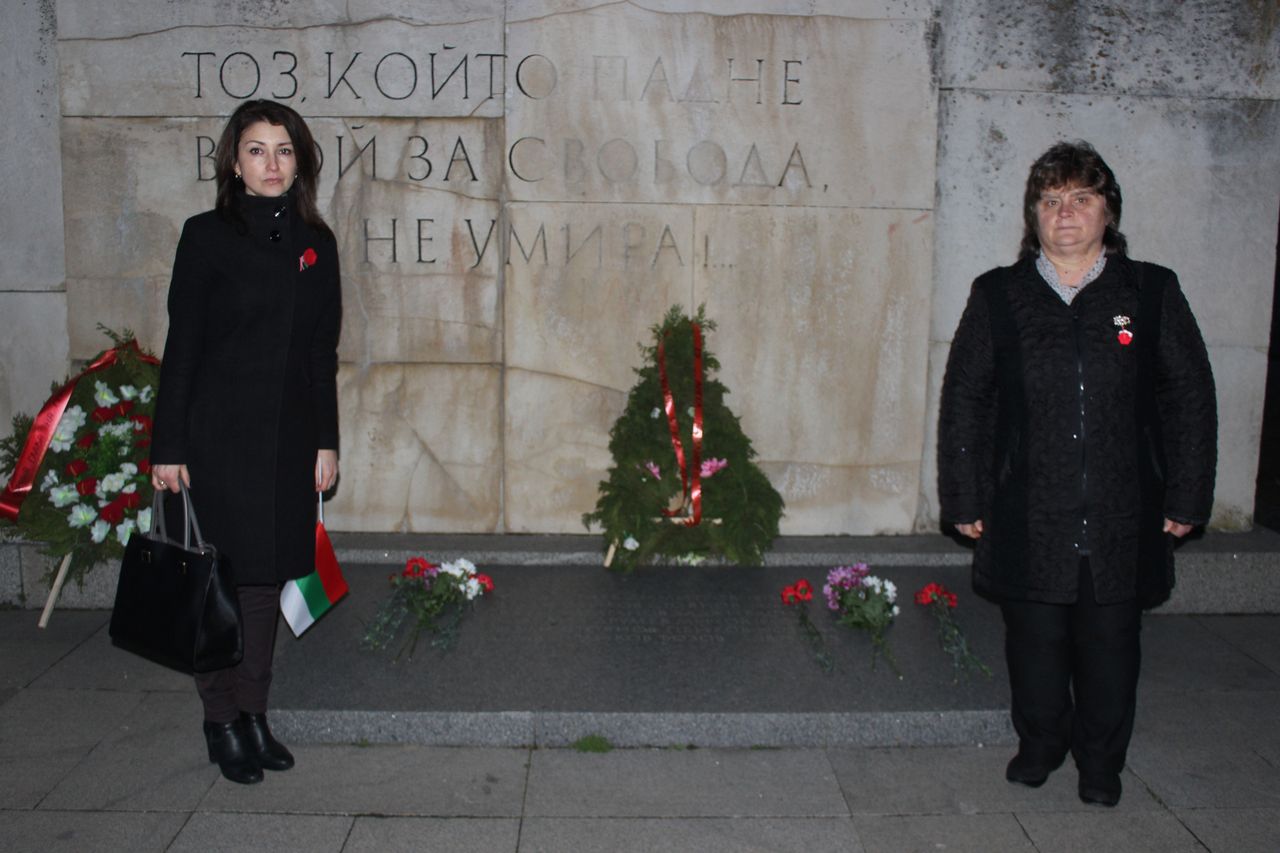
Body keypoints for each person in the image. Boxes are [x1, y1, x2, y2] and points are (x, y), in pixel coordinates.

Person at [937, 141, 1216, 807]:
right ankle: (1040, 744)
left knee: (1109, 646)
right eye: (1050, 199)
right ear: (1033, 214)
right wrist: (964, 496)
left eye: (1080, 198)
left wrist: (1187, 494)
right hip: (1029, 507)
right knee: (1034, 644)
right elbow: (967, 400)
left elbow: (1189, 397)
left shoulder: (1149, 292)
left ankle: (1100, 761)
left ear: (1107, 211)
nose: (1064, 212)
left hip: (1122, 510)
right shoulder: (999, 295)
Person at [150, 100, 342, 785]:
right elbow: (183, 346)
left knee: (264, 584)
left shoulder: (316, 243)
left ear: (301, 161)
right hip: (215, 441)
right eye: (257, 150)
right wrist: (167, 446)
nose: (271, 163)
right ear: (234, 162)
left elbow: (321, 354)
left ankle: (254, 712)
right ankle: (220, 720)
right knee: (214, 585)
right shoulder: (205, 236)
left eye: (284, 150)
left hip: (287, 443)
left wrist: (327, 441)